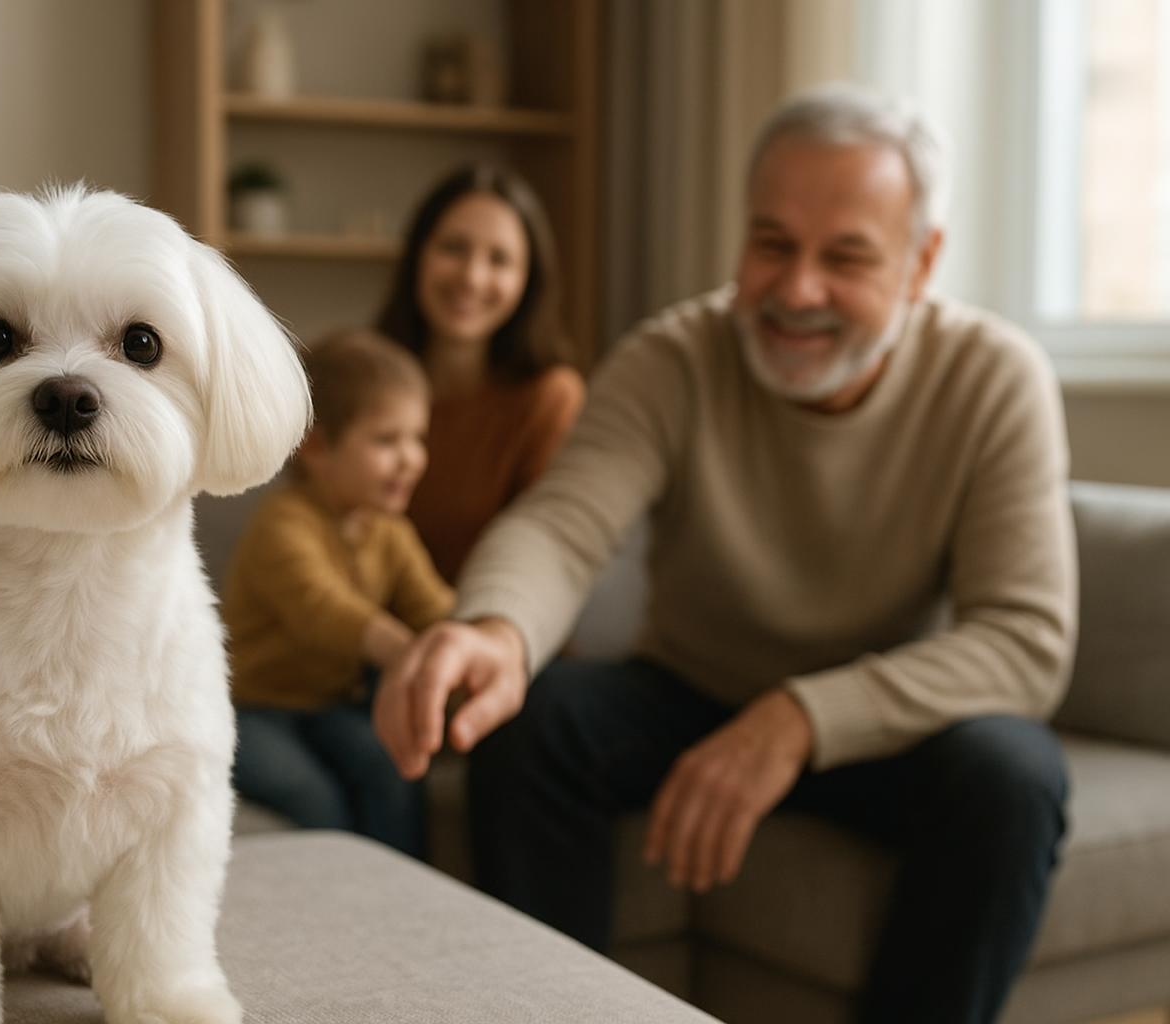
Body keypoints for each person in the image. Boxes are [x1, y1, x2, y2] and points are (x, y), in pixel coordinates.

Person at [373, 85, 1076, 1024]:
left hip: (882, 718)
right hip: (689, 689)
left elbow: (1024, 642)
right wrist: (495, 630)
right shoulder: (671, 359)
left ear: (921, 263)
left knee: (1014, 777)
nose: (797, 290)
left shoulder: (995, 378)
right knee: (534, 724)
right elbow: (561, 525)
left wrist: (799, 719)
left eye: (846, 257)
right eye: (772, 244)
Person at [225, 328, 454, 858]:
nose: (412, 459)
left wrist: (466, 643)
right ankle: (343, 891)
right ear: (317, 446)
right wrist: (402, 649)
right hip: (253, 709)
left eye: (417, 438)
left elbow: (435, 607)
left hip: (330, 706)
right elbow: (322, 609)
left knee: (388, 764)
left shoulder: (390, 532)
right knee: (313, 795)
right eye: (387, 441)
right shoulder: (282, 525)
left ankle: (404, 888)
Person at [376, 163, 586, 581]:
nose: (472, 277)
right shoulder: (363, 379)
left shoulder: (551, 399)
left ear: (528, 281)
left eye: (499, 260)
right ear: (418, 255)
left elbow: (543, 556)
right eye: (454, 248)